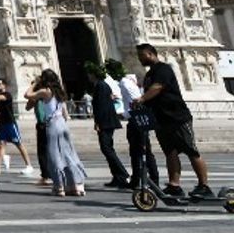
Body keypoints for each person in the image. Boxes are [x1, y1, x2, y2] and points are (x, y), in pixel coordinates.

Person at [136, 43, 211, 198]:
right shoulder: (149, 74)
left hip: (177, 117)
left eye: (142, 55)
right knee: (170, 152)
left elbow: (157, 87)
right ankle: (174, 185)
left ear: (151, 54)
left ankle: (204, 186)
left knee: (191, 151)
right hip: (161, 119)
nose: (140, 59)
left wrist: (142, 98)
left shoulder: (163, 69)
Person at [25, 69, 86, 196]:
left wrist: (34, 83)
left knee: (54, 156)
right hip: (63, 123)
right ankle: (74, 185)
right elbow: (65, 113)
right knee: (69, 154)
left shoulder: (45, 91)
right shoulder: (60, 91)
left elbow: (27, 94)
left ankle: (59, 187)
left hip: (52, 124)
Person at [109, 59, 159, 190]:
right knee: (137, 151)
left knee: (143, 151)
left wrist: (124, 114)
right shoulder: (124, 83)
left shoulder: (125, 84)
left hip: (136, 120)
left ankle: (151, 179)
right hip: (136, 119)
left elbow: (135, 101)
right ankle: (137, 179)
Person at [85, 61, 130, 189]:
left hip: (106, 122)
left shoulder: (100, 86)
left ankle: (122, 174)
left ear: (94, 74)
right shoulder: (102, 85)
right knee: (107, 148)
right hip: (108, 121)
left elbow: (102, 107)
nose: (88, 76)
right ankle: (117, 176)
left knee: (107, 149)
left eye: (89, 74)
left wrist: (98, 123)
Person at [0, 78, 34, 175]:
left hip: (10, 123)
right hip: (2, 123)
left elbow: (2, 98)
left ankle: (29, 165)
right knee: (1, 144)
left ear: (4, 85)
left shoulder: (7, 95)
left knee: (18, 144)